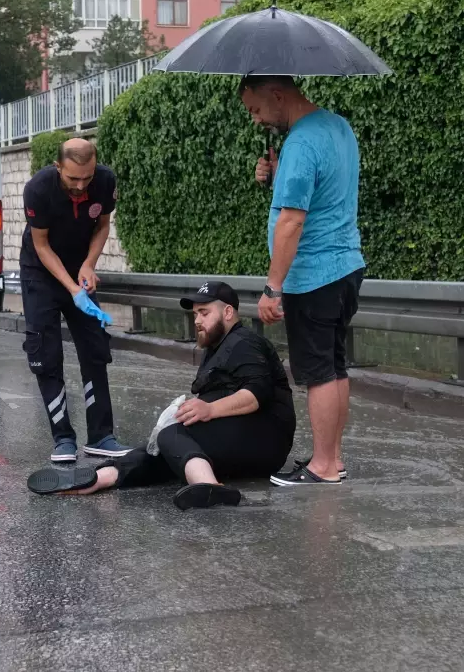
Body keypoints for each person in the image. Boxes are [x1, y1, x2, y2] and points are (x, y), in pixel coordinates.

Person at [26, 282, 296, 509]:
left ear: (228, 312)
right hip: (243, 438)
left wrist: (210, 410)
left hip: (266, 438)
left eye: (204, 312)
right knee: (159, 448)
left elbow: (256, 394)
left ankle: (210, 488)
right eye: (195, 315)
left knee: (172, 435)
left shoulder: (244, 342)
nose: (198, 321)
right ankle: (101, 477)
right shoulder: (217, 349)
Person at [242, 75, 365, 486]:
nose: (256, 120)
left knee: (316, 372)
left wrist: (272, 287)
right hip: (346, 265)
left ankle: (323, 466)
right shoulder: (338, 126)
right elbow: (326, 189)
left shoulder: (299, 143)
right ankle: (334, 458)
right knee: (333, 365)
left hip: (313, 274)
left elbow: (293, 219)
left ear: (277, 95)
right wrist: (278, 175)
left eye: (256, 109)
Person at [21, 138, 131, 463]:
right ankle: (63, 439)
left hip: (79, 269)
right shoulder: (38, 190)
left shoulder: (105, 181)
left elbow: (102, 225)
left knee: (95, 347)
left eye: (87, 177)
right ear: (58, 168)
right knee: (46, 352)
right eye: (73, 179)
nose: (81, 186)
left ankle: (101, 436)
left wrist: (88, 265)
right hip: (41, 272)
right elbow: (41, 246)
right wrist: (72, 288)